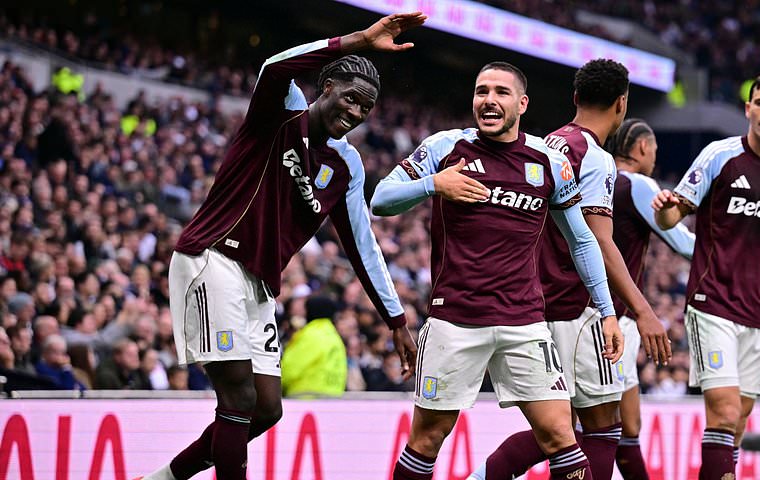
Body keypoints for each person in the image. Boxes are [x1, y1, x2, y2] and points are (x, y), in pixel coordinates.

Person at [137, 12, 427, 480]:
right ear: (326, 86)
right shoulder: (281, 109)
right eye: (350, 99)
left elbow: (363, 248)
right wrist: (360, 39)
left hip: (259, 286)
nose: (354, 113)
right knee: (238, 398)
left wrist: (396, 320)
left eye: (365, 110)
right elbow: (275, 66)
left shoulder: (347, 166)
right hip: (212, 258)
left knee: (266, 410)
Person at [372, 61, 622, 480]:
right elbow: (381, 198)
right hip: (455, 319)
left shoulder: (548, 160)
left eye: (501, 92)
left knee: (562, 436)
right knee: (428, 438)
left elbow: (582, 240)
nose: (489, 100)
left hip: (524, 322)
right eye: (481, 91)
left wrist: (607, 309)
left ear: (522, 103)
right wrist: (434, 184)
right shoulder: (445, 148)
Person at [470, 60, 671, 480]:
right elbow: (600, 241)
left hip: (538, 303)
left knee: (559, 431)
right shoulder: (595, 159)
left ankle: (485, 475)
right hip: (578, 307)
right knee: (600, 428)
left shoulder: (546, 144)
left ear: (575, 98)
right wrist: (643, 310)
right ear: (622, 104)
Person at [652, 72, 760, 479]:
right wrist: (664, 209)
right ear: (747, 109)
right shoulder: (719, 156)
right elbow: (678, 210)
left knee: (740, 418)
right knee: (725, 409)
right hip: (712, 302)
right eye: (759, 103)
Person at [606, 119, 695, 479]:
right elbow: (682, 242)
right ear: (642, 147)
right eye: (654, 149)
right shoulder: (636, 184)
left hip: (597, 311)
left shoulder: (596, 177)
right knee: (596, 427)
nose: (655, 157)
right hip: (614, 317)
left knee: (629, 425)